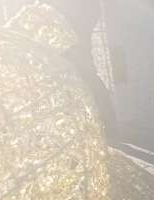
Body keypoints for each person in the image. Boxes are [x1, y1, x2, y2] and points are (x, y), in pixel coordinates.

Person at [46, 0, 119, 139]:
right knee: (83, 75)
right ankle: (102, 125)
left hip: (74, 23)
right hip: (71, 23)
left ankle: (107, 126)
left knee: (86, 74)